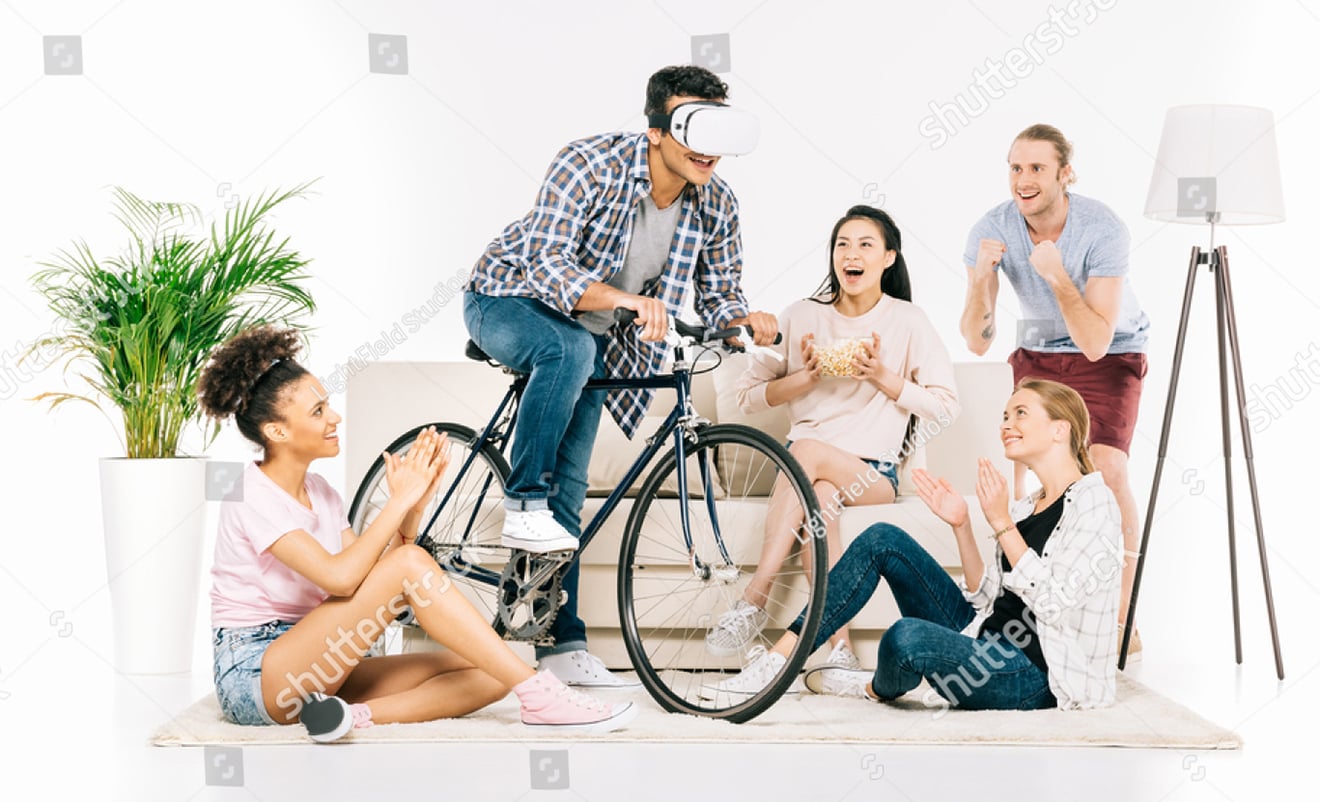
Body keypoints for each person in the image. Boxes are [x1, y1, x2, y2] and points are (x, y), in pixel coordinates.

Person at [463, 64, 777, 687]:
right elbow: (547, 265)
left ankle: (561, 644)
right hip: (505, 299)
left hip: (588, 334)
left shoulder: (716, 201)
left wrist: (746, 319)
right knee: (572, 350)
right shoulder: (587, 165)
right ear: (658, 129)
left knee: (572, 489)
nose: (709, 149)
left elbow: (718, 297)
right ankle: (521, 499)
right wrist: (628, 302)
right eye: (693, 127)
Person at [200, 327, 635, 741]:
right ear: (276, 431)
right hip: (259, 677)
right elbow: (341, 579)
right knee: (419, 578)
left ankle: (346, 718)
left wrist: (414, 505)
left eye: (328, 404)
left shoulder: (322, 493)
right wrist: (397, 502)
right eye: (317, 412)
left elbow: (379, 582)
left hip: (322, 661)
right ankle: (544, 698)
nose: (333, 417)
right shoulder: (249, 493)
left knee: (492, 670)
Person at [708, 380, 1122, 711]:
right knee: (882, 538)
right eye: (1004, 415)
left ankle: (871, 688)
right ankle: (777, 664)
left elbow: (1054, 602)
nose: (1005, 423)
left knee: (905, 638)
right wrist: (962, 525)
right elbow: (988, 601)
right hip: (984, 639)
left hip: (1030, 674)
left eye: (1020, 413)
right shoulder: (1028, 505)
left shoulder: (1095, 503)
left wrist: (998, 523)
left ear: (1059, 429)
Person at [705, 205, 959, 686]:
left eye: (866, 244)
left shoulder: (908, 321)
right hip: (810, 475)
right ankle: (839, 649)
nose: (851, 254)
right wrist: (805, 377)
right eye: (843, 244)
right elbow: (749, 396)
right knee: (818, 496)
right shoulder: (802, 315)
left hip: (872, 476)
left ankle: (755, 597)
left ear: (888, 258)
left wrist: (883, 377)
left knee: (804, 450)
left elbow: (946, 408)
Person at [958, 123, 1149, 658]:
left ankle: (1120, 618)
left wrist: (1058, 274)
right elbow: (976, 340)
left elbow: (1093, 342)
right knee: (1026, 470)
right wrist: (981, 281)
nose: (1023, 180)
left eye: (1037, 168)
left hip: (1110, 351)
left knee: (1105, 472)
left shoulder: (1102, 228)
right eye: (1015, 168)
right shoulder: (991, 229)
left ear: (1066, 174)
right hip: (1039, 352)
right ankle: (1027, 609)